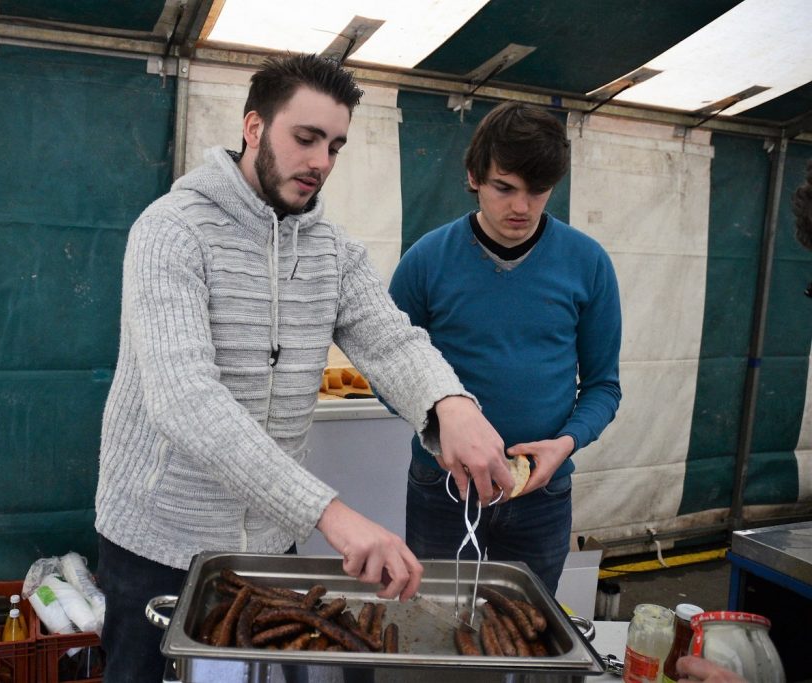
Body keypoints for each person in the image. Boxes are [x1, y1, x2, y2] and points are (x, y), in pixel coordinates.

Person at [93, 53, 510, 682]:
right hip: (159, 537)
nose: (321, 162)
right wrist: (329, 514)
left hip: (268, 541)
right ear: (254, 127)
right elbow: (185, 398)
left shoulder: (334, 252)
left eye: (335, 146)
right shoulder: (171, 231)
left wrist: (450, 405)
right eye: (306, 138)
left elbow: (392, 341)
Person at [388, 101, 622, 594]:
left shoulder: (588, 263)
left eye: (538, 190)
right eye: (504, 187)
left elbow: (604, 386)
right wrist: (440, 430)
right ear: (474, 177)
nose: (522, 207)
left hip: (542, 494)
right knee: (435, 618)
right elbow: (388, 370)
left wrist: (566, 444)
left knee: (528, 625)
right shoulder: (426, 260)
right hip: (443, 489)